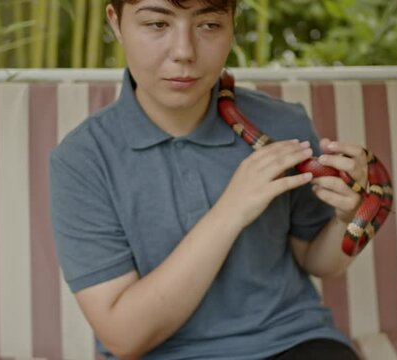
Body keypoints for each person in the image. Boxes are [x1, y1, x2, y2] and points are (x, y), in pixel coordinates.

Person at [49, 0, 369, 358]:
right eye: (157, 25)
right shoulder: (82, 160)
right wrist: (230, 210)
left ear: (232, 24)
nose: (184, 52)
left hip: (292, 340)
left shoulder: (285, 126)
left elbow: (318, 262)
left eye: (209, 25)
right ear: (117, 23)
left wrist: (350, 217)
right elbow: (124, 337)